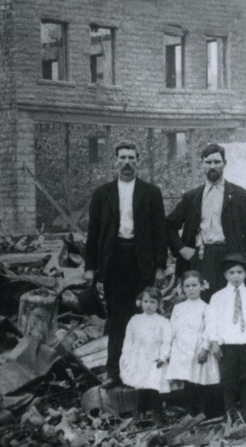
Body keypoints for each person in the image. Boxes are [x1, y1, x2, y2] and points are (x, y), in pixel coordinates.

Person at [84, 141, 168, 388]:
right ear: (115, 161)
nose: (127, 162)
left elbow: (159, 232)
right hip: (114, 262)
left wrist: (160, 267)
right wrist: (90, 267)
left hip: (141, 262)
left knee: (142, 318)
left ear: (138, 161)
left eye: (132, 158)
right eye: (123, 158)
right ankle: (114, 373)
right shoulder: (102, 194)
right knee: (117, 319)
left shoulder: (151, 193)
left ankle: (142, 372)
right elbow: (94, 232)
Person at [166, 143, 246, 299]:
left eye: (217, 162)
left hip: (230, 259)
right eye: (208, 162)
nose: (212, 166)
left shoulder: (239, 195)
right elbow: (168, 225)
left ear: (224, 163)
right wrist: (182, 249)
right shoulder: (192, 197)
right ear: (202, 164)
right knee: (202, 303)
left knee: (229, 304)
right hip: (201, 258)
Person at [207, 254, 246, 426]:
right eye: (232, 272)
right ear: (225, 275)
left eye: (240, 272)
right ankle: (230, 412)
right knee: (228, 377)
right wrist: (214, 341)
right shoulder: (217, 298)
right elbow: (212, 321)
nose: (236, 276)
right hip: (227, 344)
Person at [166, 271, 220, 416]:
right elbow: (172, 329)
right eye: (187, 286)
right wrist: (170, 349)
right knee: (187, 381)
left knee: (200, 380)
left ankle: (203, 412)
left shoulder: (206, 308)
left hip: (198, 349)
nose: (191, 289)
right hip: (182, 349)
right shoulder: (178, 308)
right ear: (182, 288)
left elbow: (209, 329)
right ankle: (190, 412)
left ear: (202, 286)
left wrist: (205, 348)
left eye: (194, 285)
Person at [119, 286, 171, 423]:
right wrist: (126, 356)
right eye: (146, 301)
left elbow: (167, 341)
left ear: (159, 304)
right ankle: (140, 413)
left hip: (155, 357)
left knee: (154, 386)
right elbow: (129, 340)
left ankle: (158, 415)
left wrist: (163, 356)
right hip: (139, 357)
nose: (148, 305)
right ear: (140, 302)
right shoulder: (135, 320)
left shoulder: (163, 322)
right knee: (142, 385)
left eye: (153, 302)